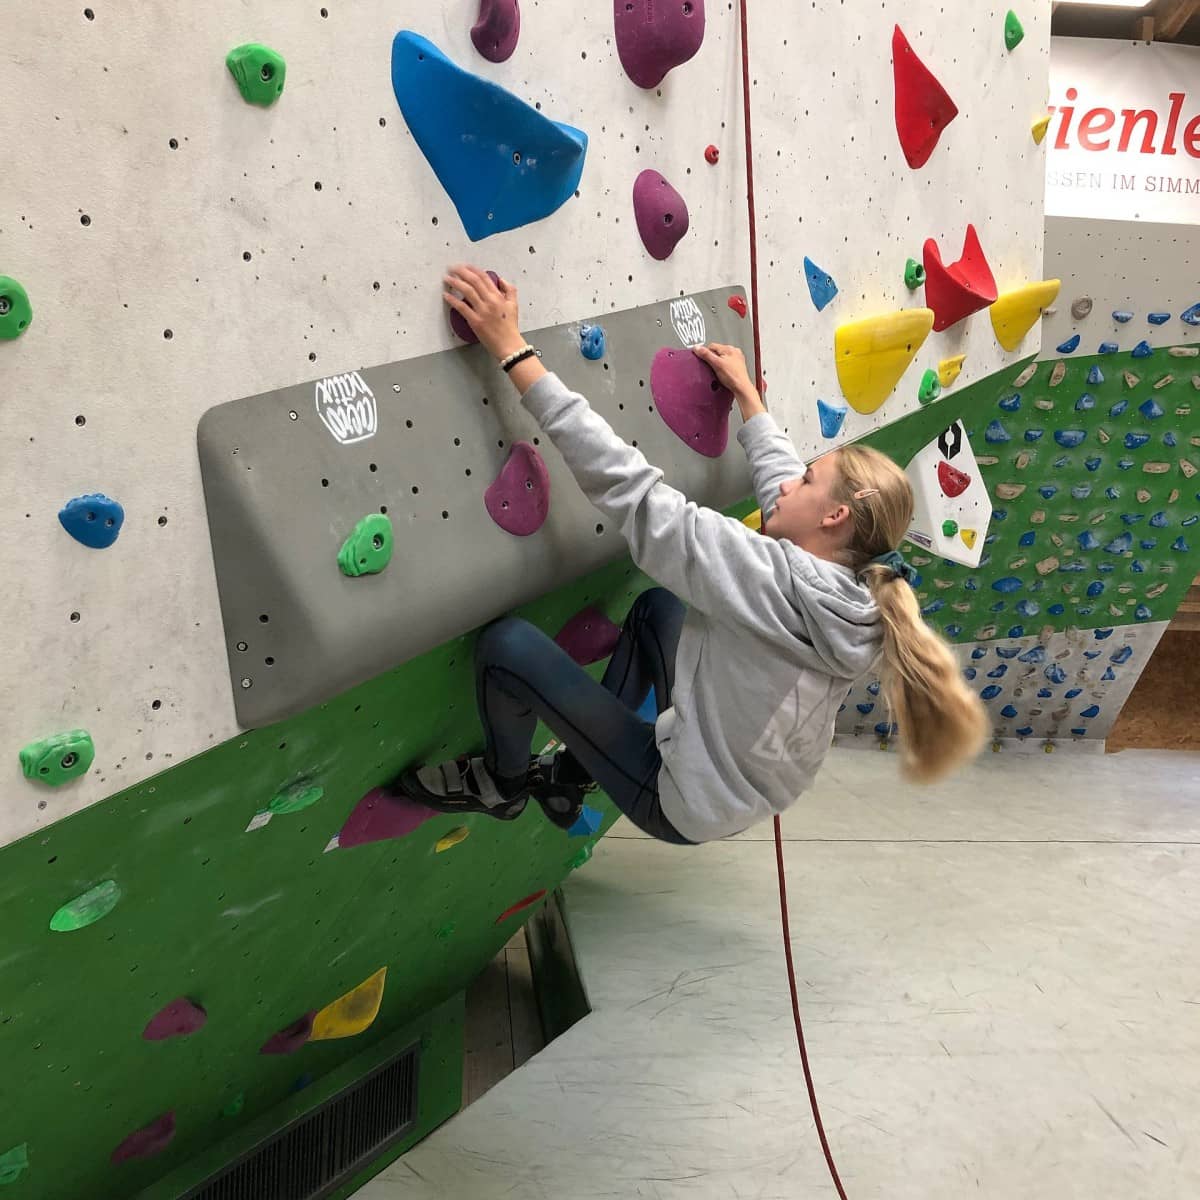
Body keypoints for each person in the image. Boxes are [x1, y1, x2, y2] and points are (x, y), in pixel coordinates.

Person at [397, 265, 988, 844]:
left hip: (680, 798)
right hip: (743, 777)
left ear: (835, 517)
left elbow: (634, 492)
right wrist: (751, 403)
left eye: (808, 480)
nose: (790, 484)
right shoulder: (855, 588)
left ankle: (503, 784)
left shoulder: (772, 580)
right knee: (656, 611)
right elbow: (793, 505)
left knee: (508, 648)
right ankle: (576, 775)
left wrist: (514, 352)